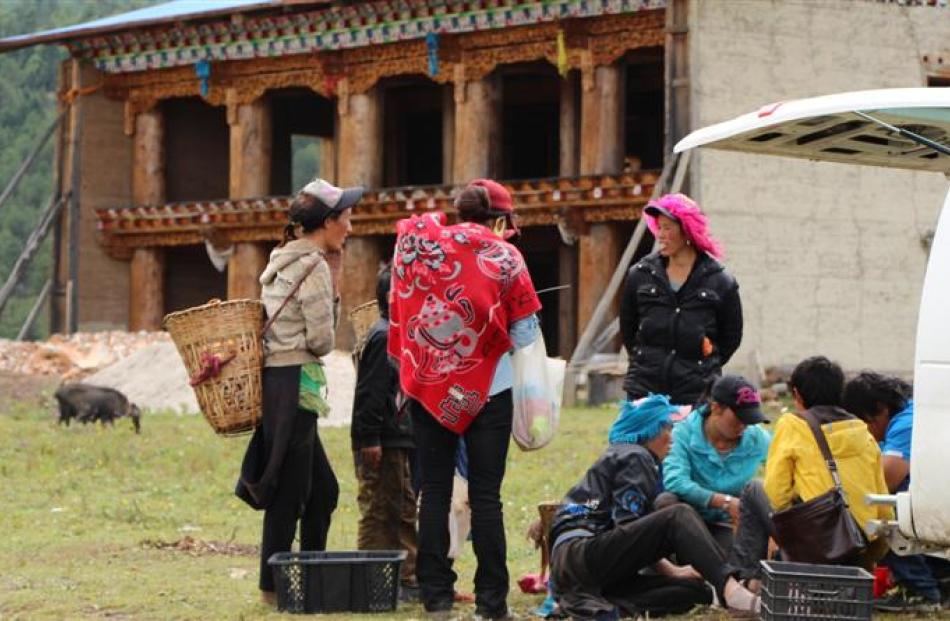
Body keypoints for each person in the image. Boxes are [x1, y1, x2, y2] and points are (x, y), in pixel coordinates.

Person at [389, 179, 541, 619]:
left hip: (430, 386)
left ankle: (436, 597)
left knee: (433, 491)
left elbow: (400, 308)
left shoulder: (416, 246)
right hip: (488, 390)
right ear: (497, 219)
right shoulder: (505, 255)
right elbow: (525, 333)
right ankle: (492, 605)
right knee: (486, 497)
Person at [235, 178, 358, 605]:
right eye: (345, 216)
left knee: (322, 491)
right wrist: (336, 286)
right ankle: (277, 590)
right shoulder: (315, 266)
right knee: (290, 493)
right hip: (296, 381)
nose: (350, 224)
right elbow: (323, 341)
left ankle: (309, 580)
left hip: (280, 384)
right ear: (327, 222)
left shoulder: (281, 258)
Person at [548, 395, 762, 619]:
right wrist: (672, 569)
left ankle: (601, 605)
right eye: (667, 429)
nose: (672, 437)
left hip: (575, 571)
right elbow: (629, 524)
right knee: (677, 516)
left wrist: (676, 573)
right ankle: (733, 593)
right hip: (581, 557)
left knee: (695, 591)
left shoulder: (622, 454)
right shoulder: (635, 455)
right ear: (649, 430)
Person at [726, 356, 892, 583]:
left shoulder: (793, 425)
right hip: (858, 546)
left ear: (797, 395)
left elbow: (777, 495)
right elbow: (882, 507)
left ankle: (747, 581)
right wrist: (870, 557)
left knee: (753, 489)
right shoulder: (861, 430)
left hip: (817, 545)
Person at [619, 193, 742, 405]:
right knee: (633, 440)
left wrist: (702, 364)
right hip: (644, 390)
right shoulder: (639, 275)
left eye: (668, 227)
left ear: (687, 230)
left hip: (697, 393)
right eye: (659, 227)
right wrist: (647, 359)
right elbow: (628, 329)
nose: (660, 235)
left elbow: (731, 337)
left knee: (690, 440)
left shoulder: (720, 281)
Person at [844, 372, 948, 612]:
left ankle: (920, 591)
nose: (867, 432)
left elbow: (886, 480)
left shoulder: (906, 422)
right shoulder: (909, 412)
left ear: (880, 409)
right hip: (939, 496)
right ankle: (938, 578)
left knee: (882, 507)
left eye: (865, 423)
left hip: (938, 500)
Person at [350, 266, 419, 599]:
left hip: (399, 438)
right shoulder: (382, 336)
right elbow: (369, 394)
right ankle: (374, 579)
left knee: (402, 507)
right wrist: (369, 439)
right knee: (380, 510)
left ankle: (405, 576)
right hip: (382, 440)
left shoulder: (399, 334)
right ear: (394, 297)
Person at [660, 374, 771, 552]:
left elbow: (782, 471)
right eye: (739, 419)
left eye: (749, 420)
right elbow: (675, 481)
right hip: (690, 519)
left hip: (728, 524)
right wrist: (724, 501)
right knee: (666, 501)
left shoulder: (757, 438)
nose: (744, 426)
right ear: (716, 408)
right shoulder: (684, 432)